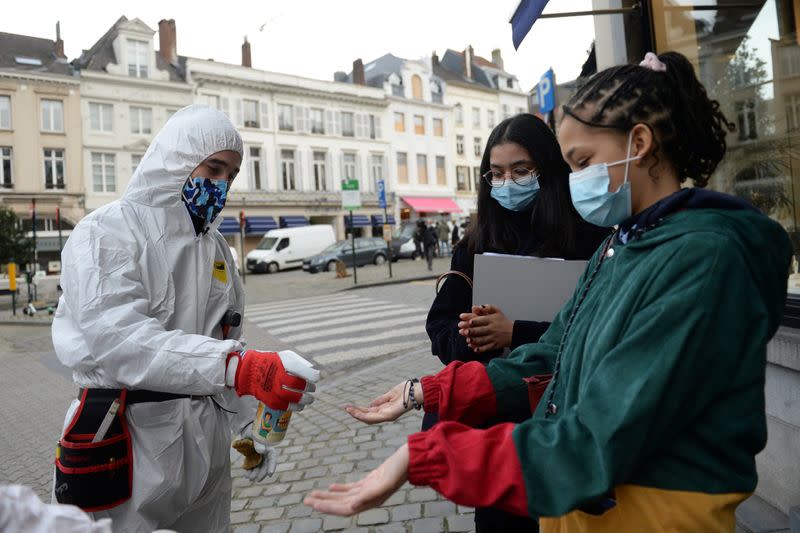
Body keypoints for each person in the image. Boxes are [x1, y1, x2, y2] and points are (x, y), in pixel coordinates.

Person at [304, 52, 792, 532]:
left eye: (582, 162)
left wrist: (428, 455)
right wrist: (430, 391)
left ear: (638, 143)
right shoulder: (622, 245)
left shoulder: (701, 258)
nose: (575, 180)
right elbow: (551, 354)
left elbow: (598, 438)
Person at [52, 105, 319, 532]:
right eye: (213, 167)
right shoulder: (106, 232)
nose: (221, 184)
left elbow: (227, 336)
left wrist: (251, 423)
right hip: (127, 441)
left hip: (205, 443)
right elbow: (120, 339)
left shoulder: (216, 250)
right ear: (176, 160)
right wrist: (237, 369)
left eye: (230, 175)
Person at [424, 113, 609, 532]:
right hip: (498, 424)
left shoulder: (589, 234)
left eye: (521, 170)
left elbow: (597, 327)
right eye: (497, 173)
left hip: (569, 419)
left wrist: (517, 332)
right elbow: (440, 326)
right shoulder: (474, 243)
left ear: (547, 168)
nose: (508, 182)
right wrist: (472, 335)